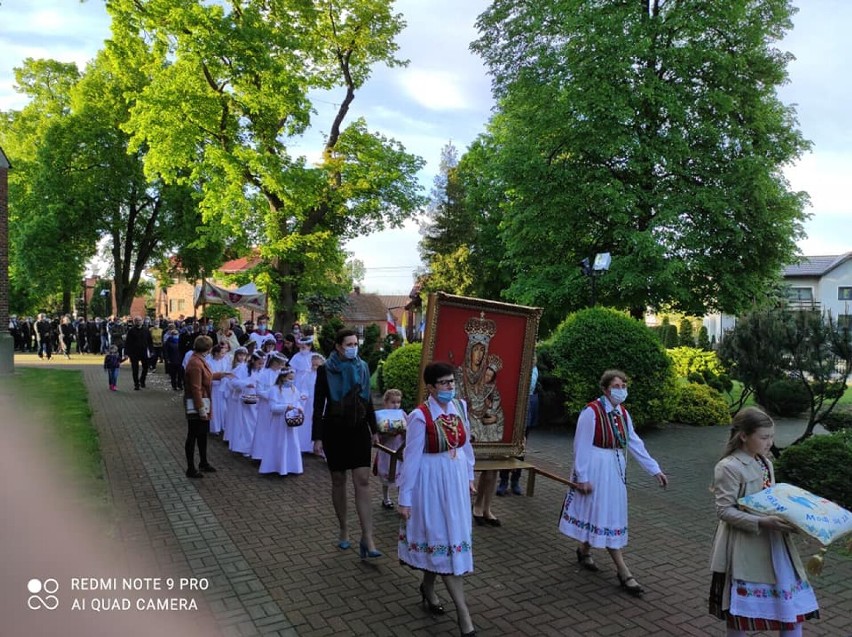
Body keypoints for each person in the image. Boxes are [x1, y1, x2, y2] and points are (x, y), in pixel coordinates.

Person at [709, 407, 819, 636]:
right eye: (764, 437)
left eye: (772, 437)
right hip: (744, 548)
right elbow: (723, 511)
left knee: (791, 608)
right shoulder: (729, 467)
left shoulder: (764, 462)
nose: (770, 442)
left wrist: (794, 518)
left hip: (775, 544)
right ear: (744, 436)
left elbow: (771, 499)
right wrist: (762, 523)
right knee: (740, 613)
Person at [558, 369, 668, 596]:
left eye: (624, 386)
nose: (621, 390)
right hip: (596, 466)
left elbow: (635, 442)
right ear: (606, 389)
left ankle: (584, 549)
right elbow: (581, 446)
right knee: (604, 515)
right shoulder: (592, 412)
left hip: (615, 469)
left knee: (605, 513)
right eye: (617, 386)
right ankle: (624, 571)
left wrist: (654, 469)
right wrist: (583, 477)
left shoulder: (623, 413)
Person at [398, 362, 477, 637]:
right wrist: (405, 498)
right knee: (442, 539)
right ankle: (464, 615)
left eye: (452, 382)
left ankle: (428, 587)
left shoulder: (460, 407)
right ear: (430, 387)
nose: (449, 387)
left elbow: (466, 447)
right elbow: (411, 459)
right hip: (431, 482)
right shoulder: (419, 416)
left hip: (454, 481)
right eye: (443, 383)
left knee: (445, 540)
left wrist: (469, 476)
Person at [312, 328, 380, 557]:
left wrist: (375, 429)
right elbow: (318, 405)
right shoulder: (325, 371)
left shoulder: (362, 367)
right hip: (334, 429)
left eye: (355, 343)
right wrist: (317, 437)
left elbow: (368, 399)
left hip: (359, 427)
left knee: (362, 480)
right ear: (338, 346)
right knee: (338, 479)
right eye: (349, 344)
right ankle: (343, 530)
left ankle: (368, 537)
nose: (353, 347)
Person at [184, 335, 231, 478]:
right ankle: (191, 468)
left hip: (203, 401)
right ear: (208, 349)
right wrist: (201, 409)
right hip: (197, 403)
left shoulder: (199, 360)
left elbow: (207, 376)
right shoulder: (195, 363)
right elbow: (196, 388)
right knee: (193, 434)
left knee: (202, 434)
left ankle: (203, 462)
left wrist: (221, 374)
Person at [497, 353, 540, 496]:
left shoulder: (533, 370)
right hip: (512, 409)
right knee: (507, 447)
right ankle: (503, 481)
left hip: (526, 409)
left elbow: (528, 388)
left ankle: (515, 481)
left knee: (520, 447)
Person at [373, 389, 406, 509]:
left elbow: (408, 431)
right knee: (387, 475)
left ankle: (401, 499)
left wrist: (403, 432)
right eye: (393, 402)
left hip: (400, 449)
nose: (396, 405)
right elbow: (377, 436)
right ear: (385, 402)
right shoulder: (380, 416)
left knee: (402, 475)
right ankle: (386, 498)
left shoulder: (402, 414)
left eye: (398, 402)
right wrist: (386, 434)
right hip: (387, 449)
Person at [124, 316, 153, 391]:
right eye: (137, 320)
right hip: (134, 353)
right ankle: (136, 384)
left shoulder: (146, 330)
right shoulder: (131, 331)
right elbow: (127, 342)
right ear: (134, 322)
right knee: (135, 369)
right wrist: (126, 353)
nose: (138, 322)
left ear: (142, 321)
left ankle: (142, 380)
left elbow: (150, 341)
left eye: (140, 320)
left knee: (146, 367)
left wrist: (151, 350)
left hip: (144, 352)